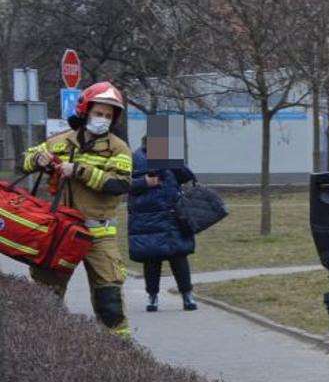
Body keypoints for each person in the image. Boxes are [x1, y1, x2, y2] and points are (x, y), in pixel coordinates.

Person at [22, 82, 134, 334]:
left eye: (108, 115)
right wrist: (38, 159)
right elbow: (25, 161)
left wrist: (80, 170)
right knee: (46, 297)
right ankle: (47, 351)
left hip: (98, 234)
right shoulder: (60, 141)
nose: (102, 119)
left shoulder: (118, 148)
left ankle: (119, 352)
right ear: (85, 111)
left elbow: (120, 184)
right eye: (98, 113)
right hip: (59, 232)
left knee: (110, 301)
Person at [128, 142, 198, 312]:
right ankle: (152, 296)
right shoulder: (136, 158)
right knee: (151, 258)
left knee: (179, 256)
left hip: (173, 216)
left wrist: (175, 162)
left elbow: (186, 176)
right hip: (148, 218)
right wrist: (144, 182)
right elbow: (125, 184)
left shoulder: (169, 156)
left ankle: (187, 294)